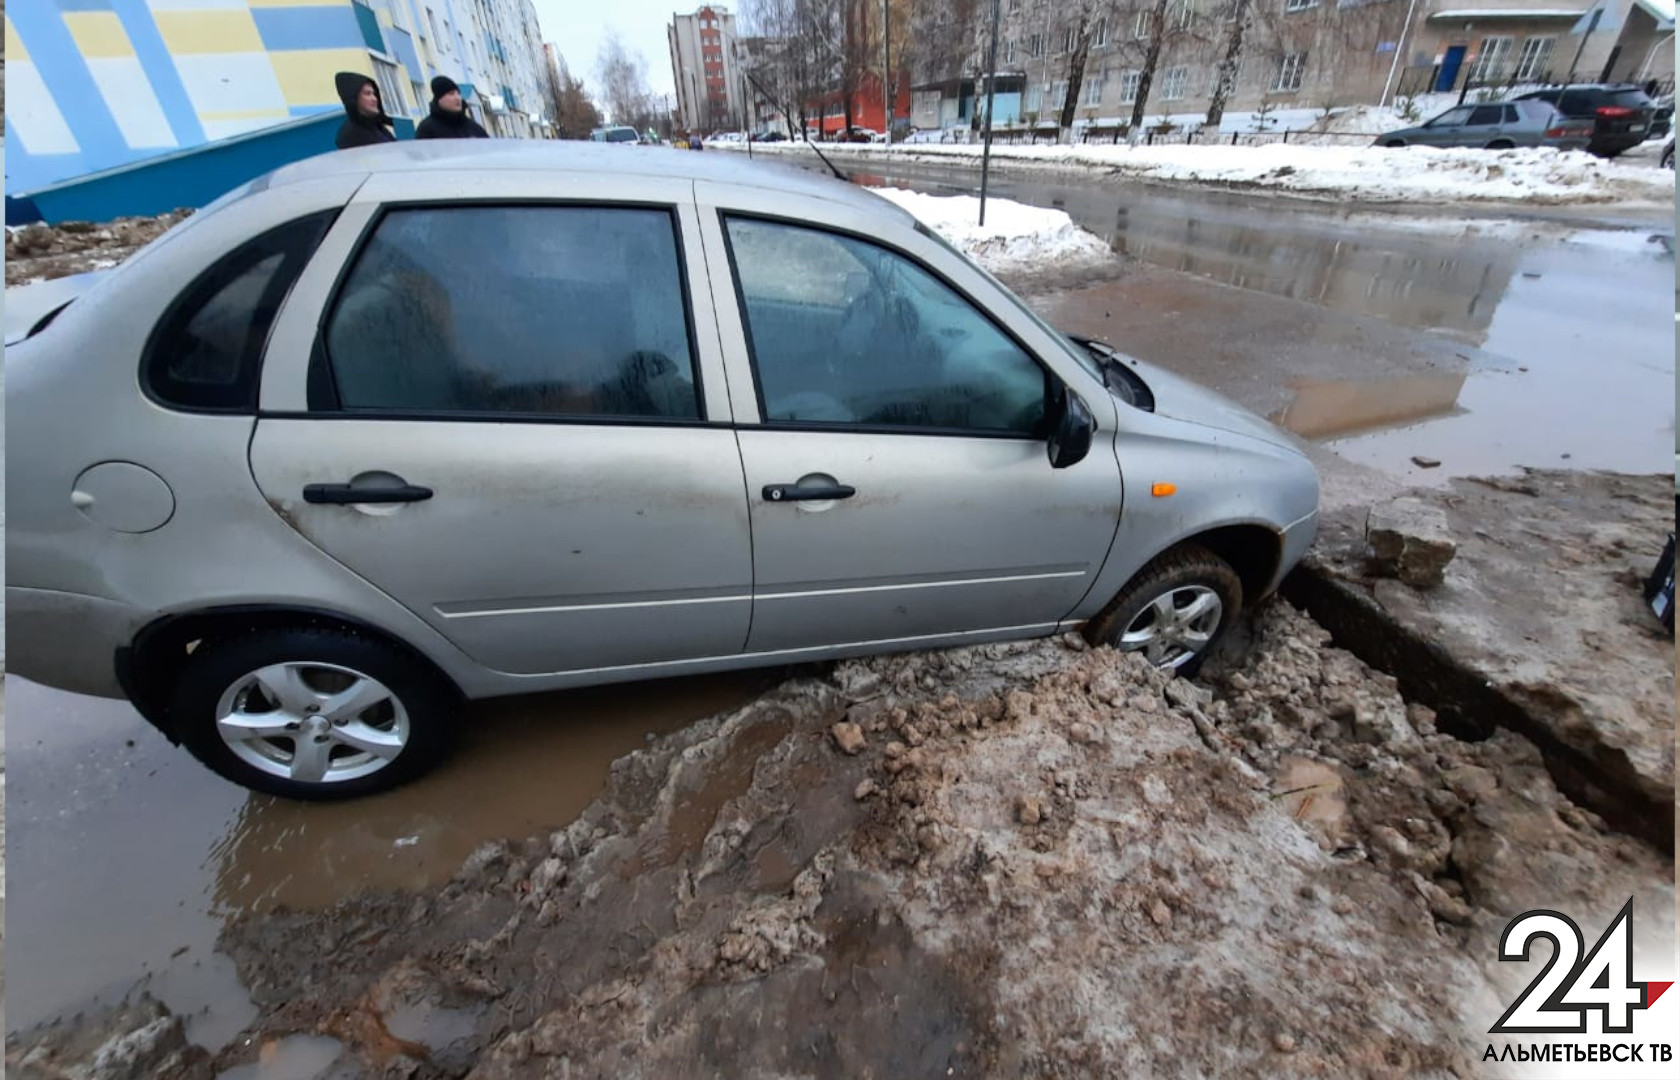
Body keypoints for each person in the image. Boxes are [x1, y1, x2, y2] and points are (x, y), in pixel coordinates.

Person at [416, 76, 490, 140]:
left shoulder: (473, 127)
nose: (457, 98)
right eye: (451, 94)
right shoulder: (426, 129)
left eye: (458, 94)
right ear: (439, 99)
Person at [334, 72, 395, 149]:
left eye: (374, 94)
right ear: (354, 97)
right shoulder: (351, 134)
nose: (374, 99)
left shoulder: (377, 126)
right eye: (368, 93)